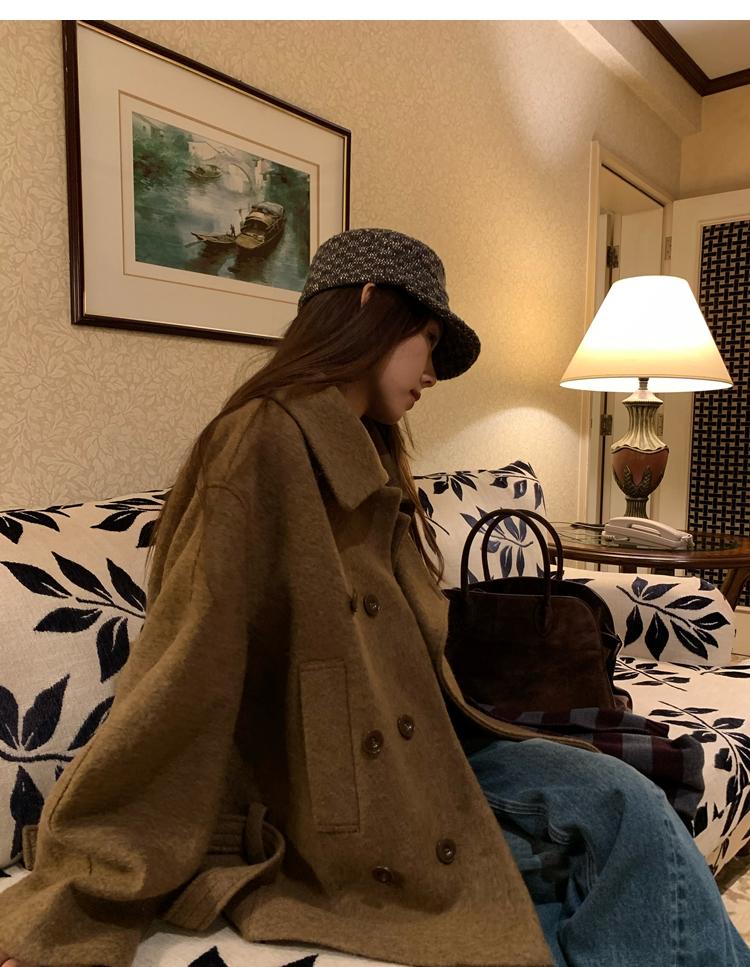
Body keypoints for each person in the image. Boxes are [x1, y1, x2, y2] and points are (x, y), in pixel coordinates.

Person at [0, 228, 747, 967]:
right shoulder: (261, 441)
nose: (433, 375)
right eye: (427, 338)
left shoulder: (369, 450)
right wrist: (97, 870)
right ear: (367, 303)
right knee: (615, 834)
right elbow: (187, 662)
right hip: (346, 788)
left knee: (626, 798)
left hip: (432, 745)